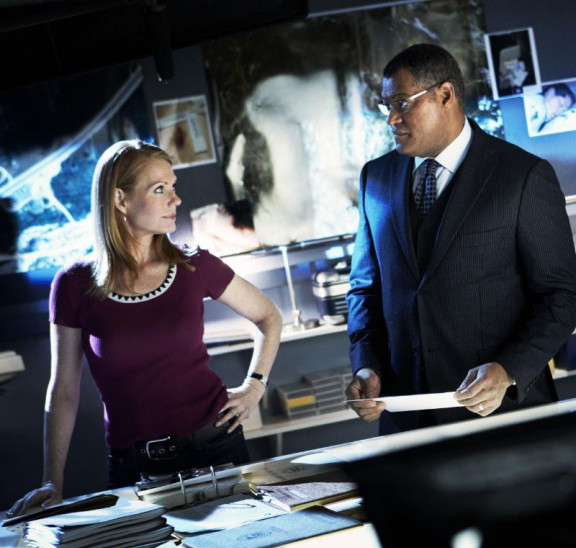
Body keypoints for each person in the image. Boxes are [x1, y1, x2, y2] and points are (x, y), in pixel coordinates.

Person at [8, 140, 283, 517]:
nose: (176, 199)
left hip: (217, 450)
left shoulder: (195, 265)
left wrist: (255, 385)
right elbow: (64, 391)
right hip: (135, 470)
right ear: (120, 200)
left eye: (173, 186)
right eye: (159, 189)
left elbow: (269, 316)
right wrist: (51, 481)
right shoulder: (73, 285)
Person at [345, 43, 576, 436]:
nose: (391, 119)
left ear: (445, 95)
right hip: (406, 422)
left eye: (401, 103)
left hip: (503, 418)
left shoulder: (523, 176)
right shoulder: (375, 178)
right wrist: (367, 365)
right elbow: (365, 289)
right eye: (386, 106)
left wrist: (508, 370)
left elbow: (563, 296)